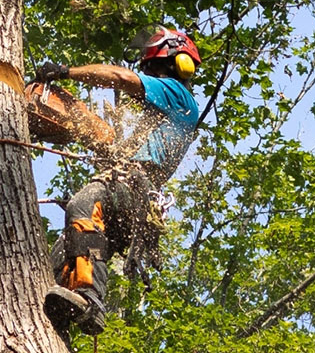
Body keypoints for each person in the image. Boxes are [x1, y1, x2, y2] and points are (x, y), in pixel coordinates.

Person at [32, 27, 201, 335]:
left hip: (132, 189)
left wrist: (65, 72)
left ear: (174, 63)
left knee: (82, 204)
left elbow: (121, 77)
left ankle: (89, 301)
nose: (146, 72)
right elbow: (111, 144)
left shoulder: (177, 94)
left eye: (151, 66)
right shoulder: (158, 120)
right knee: (60, 258)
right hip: (130, 206)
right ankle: (58, 316)